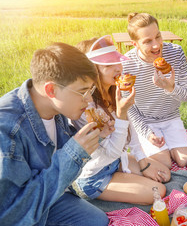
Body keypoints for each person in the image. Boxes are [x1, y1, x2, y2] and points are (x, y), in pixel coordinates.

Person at [0, 43, 109, 226]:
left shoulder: (53, 107)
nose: (89, 99)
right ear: (50, 90)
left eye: (90, 91)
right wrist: (73, 155)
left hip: (49, 198)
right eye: (83, 91)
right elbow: (11, 213)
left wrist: (96, 136)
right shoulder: (8, 131)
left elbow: (55, 151)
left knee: (97, 220)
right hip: (21, 211)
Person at [70, 35, 169, 205]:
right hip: (95, 174)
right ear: (92, 71)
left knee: (165, 173)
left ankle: (124, 176)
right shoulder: (84, 108)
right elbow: (108, 152)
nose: (118, 68)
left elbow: (130, 130)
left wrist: (143, 162)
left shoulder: (113, 91)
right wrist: (122, 114)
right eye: (108, 65)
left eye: (117, 61)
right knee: (158, 191)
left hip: (115, 160)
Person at [122, 13, 187, 169]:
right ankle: (139, 146)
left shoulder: (175, 52)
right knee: (164, 163)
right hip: (145, 120)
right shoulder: (126, 64)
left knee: (184, 161)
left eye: (158, 37)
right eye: (147, 41)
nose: (156, 45)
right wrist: (147, 133)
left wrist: (170, 88)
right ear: (135, 44)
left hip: (171, 116)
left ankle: (167, 144)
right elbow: (129, 107)